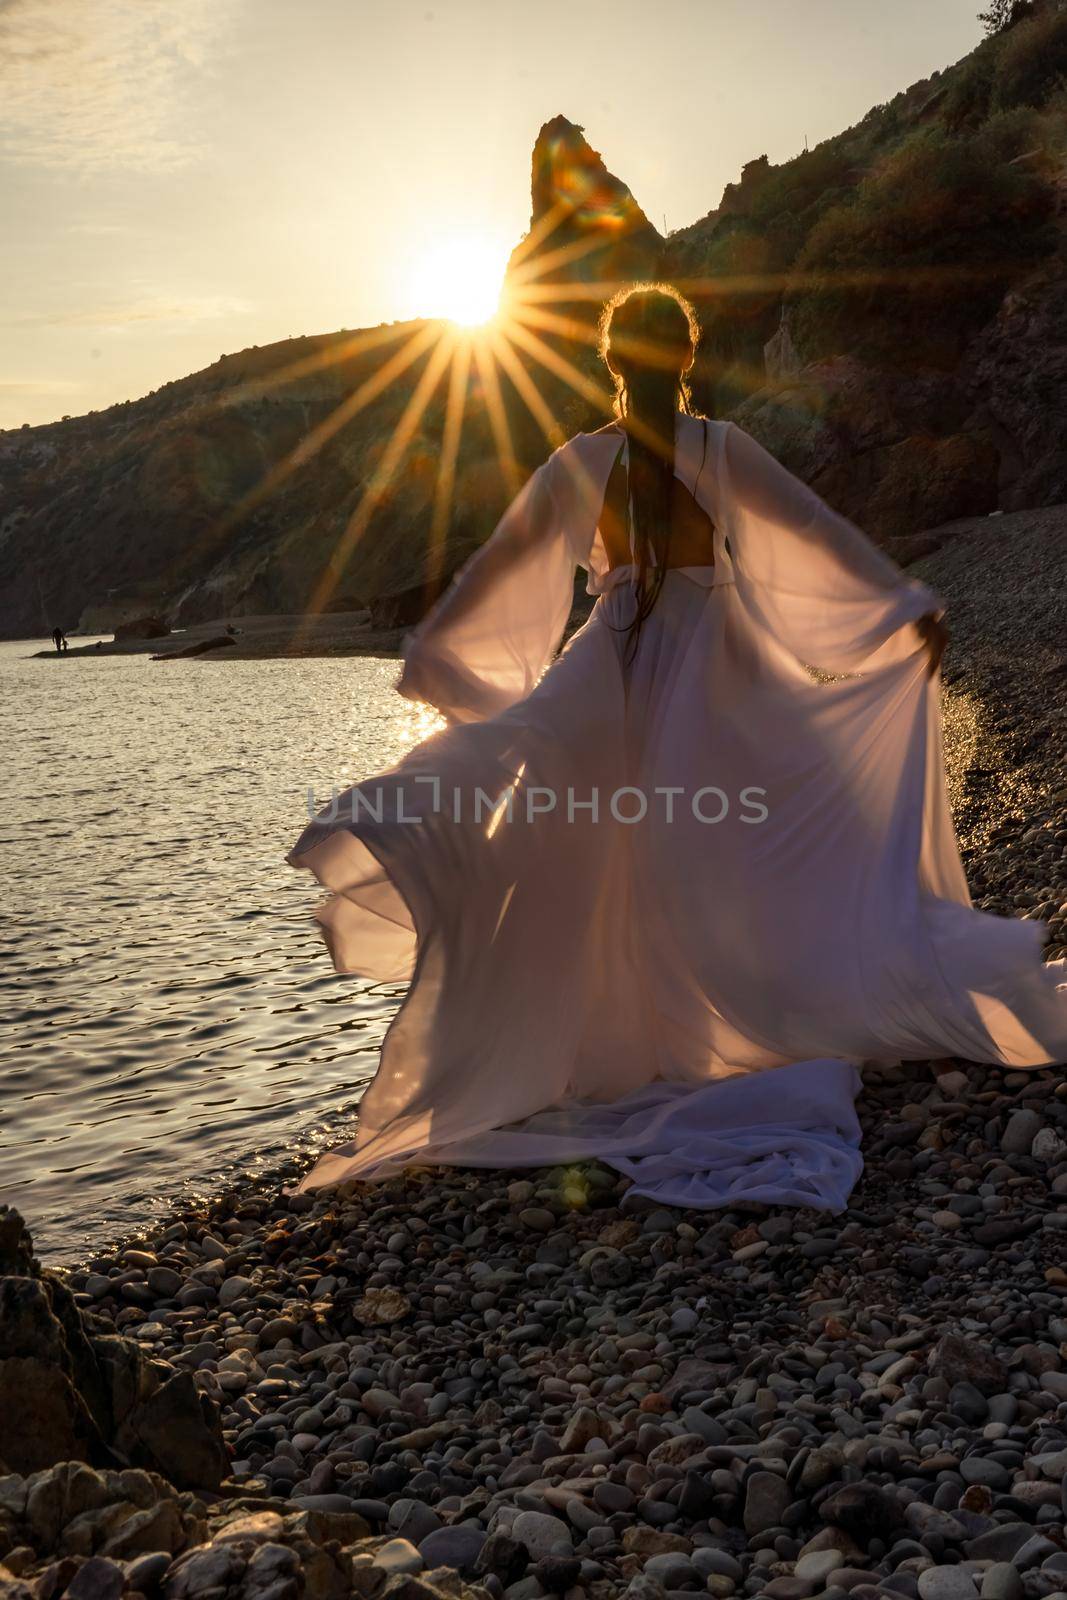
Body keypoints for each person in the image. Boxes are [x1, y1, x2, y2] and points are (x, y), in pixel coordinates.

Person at [288, 282, 1066, 1210]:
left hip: (605, 664)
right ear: (686, 358)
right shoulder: (720, 448)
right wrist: (895, 615)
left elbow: (508, 569)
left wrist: (442, 663)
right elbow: (808, 539)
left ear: (611, 361)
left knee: (565, 848)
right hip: (718, 660)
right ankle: (743, 1011)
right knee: (747, 847)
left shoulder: (580, 462)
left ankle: (590, 1043)